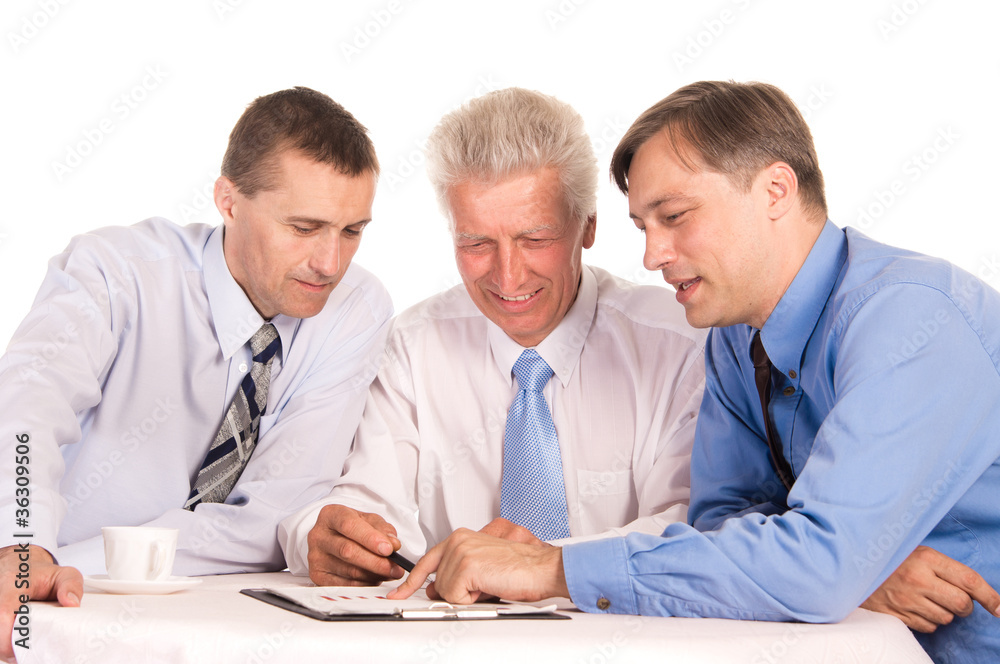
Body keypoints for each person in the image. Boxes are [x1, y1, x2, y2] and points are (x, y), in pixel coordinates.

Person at [389, 81, 1000, 663]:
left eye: (675, 216)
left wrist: (551, 568)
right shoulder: (735, 337)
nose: (652, 255)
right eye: (643, 227)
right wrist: (850, 567)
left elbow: (819, 566)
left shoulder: (915, 318)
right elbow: (721, 522)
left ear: (776, 191)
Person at [0, 87, 392, 658]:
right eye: (304, 227)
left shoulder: (356, 310)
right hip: (43, 606)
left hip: (209, 619)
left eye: (352, 230)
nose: (330, 263)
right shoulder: (115, 274)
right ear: (228, 201)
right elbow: (25, 413)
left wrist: (81, 561)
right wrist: (23, 548)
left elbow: (272, 514)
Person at [277, 87, 706, 586]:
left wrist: (543, 566)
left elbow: (692, 530)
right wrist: (334, 537)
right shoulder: (413, 347)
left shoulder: (680, 345)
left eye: (535, 239)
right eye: (476, 243)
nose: (508, 276)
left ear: (588, 226)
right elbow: (367, 501)